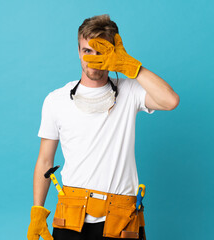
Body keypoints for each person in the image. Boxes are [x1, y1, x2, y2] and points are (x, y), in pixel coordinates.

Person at [27, 14, 180, 240]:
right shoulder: (55, 100)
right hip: (71, 217)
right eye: (87, 51)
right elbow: (45, 161)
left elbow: (171, 101)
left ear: (114, 53)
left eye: (101, 52)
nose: (93, 58)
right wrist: (38, 210)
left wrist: (131, 67)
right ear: (78, 51)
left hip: (120, 218)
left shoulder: (130, 91)